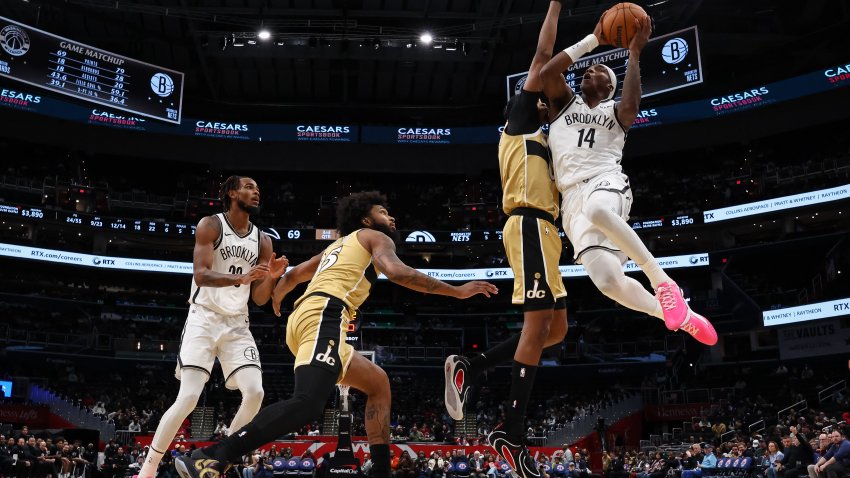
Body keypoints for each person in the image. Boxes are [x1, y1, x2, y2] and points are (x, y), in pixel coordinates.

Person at [175, 191, 498, 478]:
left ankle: (382, 470)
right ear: (365, 219)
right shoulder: (375, 237)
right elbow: (398, 272)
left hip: (311, 319)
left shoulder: (338, 246)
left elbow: (292, 277)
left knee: (378, 383)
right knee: (308, 404)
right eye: (383, 212)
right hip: (325, 315)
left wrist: (277, 295)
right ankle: (214, 456)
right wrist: (456, 291)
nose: (391, 217)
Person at [538, 9, 716, 345]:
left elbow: (632, 107)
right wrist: (593, 40)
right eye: (588, 69)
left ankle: (663, 282)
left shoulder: (615, 111)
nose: (590, 70)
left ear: (610, 86)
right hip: (570, 200)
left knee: (598, 211)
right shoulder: (563, 104)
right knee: (607, 281)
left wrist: (633, 54)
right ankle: (679, 317)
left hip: (605, 181)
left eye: (599, 71)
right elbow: (548, 71)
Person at [444, 3, 569, 477]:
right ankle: (509, 434)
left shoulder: (546, 138)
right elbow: (542, 55)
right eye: (538, 98)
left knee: (556, 331)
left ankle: (471, 368)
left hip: (547, 232)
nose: (543, 100)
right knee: (537, 329)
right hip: (528, 225)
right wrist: (556, 5)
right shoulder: (517, 125)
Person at [136, 176, 289, 478]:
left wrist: (270, 277)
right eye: (248, 187)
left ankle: (217, 458)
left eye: (257, 189)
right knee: (189, 396)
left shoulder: (263, 240)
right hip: (203, 318)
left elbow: (258, 298)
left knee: (256, 392)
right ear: (232, 193)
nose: (255, 192)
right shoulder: (211, 225)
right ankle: (148, 469)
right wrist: (240, 279)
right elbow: (202, 274)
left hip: (236, 324)